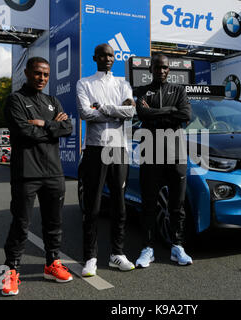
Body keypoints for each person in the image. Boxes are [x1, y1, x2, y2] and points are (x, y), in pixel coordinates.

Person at [1, 56, 73, 296]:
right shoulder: (15, 100)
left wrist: (44, 123)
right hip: (26, 174)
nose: (41, 78)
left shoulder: (52, 101)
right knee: (21, 224)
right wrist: (53, 127)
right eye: (37, 73)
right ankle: (11, 270)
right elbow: (24, 132)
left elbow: (68, 128)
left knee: (54, 224)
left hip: (53, 173)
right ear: (27, 72)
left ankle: (52, 264)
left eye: (45, 74)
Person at [76, 44, 136, 277]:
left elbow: (131, 113)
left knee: (119, 205)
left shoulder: (123, 83)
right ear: (95, 57)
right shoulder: (84, 83)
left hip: (119, 148)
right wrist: (116, 111)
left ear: (114, 57)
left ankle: (116, 254)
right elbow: (84, 113)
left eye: (110, 55)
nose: (107, 58)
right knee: (92, 207)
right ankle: (90, 257)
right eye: (102, 54)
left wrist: (102, 107)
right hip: (95, 149)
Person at [134, 54, 192, 268]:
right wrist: (170, 112)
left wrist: (155, 113)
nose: (162, 70)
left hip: (176, 153)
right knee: (148, 204)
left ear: (169, 70)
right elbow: (142, 113)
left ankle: (177, 246)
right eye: (158, 67)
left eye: (165, 67)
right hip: (150, 151)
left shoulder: (178, 90)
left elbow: (185, 115)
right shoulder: (141, 91)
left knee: (177, 205)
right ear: (151, 69)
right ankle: (147, 248)